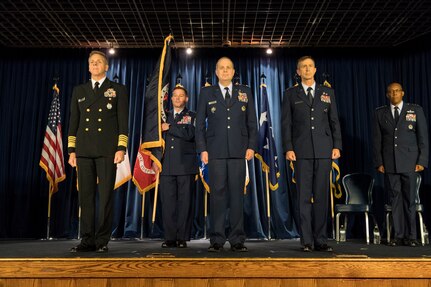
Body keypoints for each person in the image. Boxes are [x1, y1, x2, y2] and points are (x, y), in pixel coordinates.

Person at [68, 51, 129, 253]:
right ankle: (87, 240)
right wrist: (71, 150)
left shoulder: (117, 89)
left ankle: (102, 240)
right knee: (85, 198)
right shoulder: (79, 90)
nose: (95, 65)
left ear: (106, 67)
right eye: (92, 62)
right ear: (88, 67)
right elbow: (73, 122)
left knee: (105, 198)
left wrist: (121, 148)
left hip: (107, 151)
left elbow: (123, 122)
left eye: (99, 62)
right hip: (84, 150)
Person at [196, 57, 257, 252]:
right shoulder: (207, 92)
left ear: (233, 72)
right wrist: (203, 149)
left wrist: (251, 146)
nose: (224, 71)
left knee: (237, 196)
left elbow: (252, 123)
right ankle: (217, 239)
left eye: (228, 68)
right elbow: (199, 126)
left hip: (239, 151)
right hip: (215, 152)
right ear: (216, 72)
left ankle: (237, 239)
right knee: (218, 196)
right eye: (221, 68)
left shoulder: (245, 92)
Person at [281, 56, 342, 252]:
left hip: (324, 150)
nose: (307, 69)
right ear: (298, 72)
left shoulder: (327, 92)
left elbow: (334, 122)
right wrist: (288, 147)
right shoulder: (291, 94)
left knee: (322, 197)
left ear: (315, 70)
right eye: (303, 67)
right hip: (301, 151)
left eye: (310, 66)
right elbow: (286, 124)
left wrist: (337, 145)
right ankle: (306, 240)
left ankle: (321, 239)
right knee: (304, 198)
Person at [373, 82, 429, 247]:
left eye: (397, 91)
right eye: (390, 92)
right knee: (395, 200)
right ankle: (398, 236)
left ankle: (411, 236)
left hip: (411, 163)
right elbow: (377, 141)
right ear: (387, 95)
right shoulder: (380, 113)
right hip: (390, 163)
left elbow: (423, 138)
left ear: (402, 93)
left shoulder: (415, 110)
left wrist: (422, 161)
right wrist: (379, 162)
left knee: (409, 200)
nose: (394, 94)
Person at [156, 86, 197, 248]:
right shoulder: (162, 116)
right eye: (175, 96)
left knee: (185, 203)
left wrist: (170, 128)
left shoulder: (192, 116)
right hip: (165, 165)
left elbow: (189, 134)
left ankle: (182, 237)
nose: (178, 98)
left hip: (185, 165)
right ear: (170, 98)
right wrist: (154, 159)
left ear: (186, 99)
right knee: (168, 203)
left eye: (181, 96)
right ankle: (170, 237)